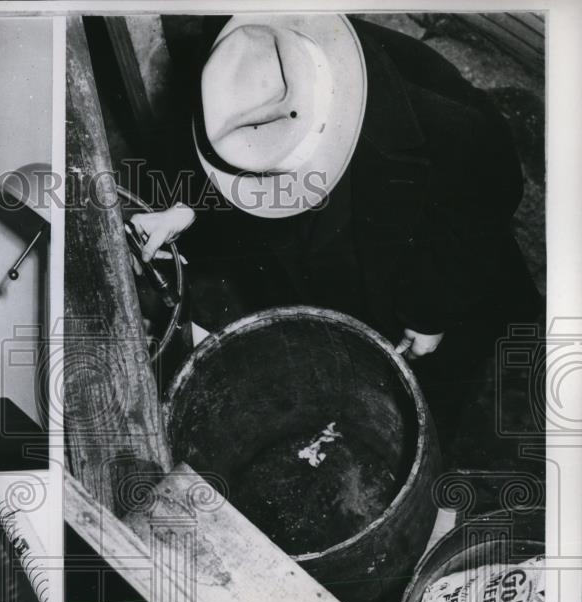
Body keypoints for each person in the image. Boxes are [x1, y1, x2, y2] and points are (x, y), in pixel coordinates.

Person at [130, 15, 540, 442]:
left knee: (432, 390)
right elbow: (229, 156)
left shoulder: (447, 124)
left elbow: (488, 196)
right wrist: (185, 210)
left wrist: (431, 311)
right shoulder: (240, 60)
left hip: (431, 262)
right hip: (337, 257)